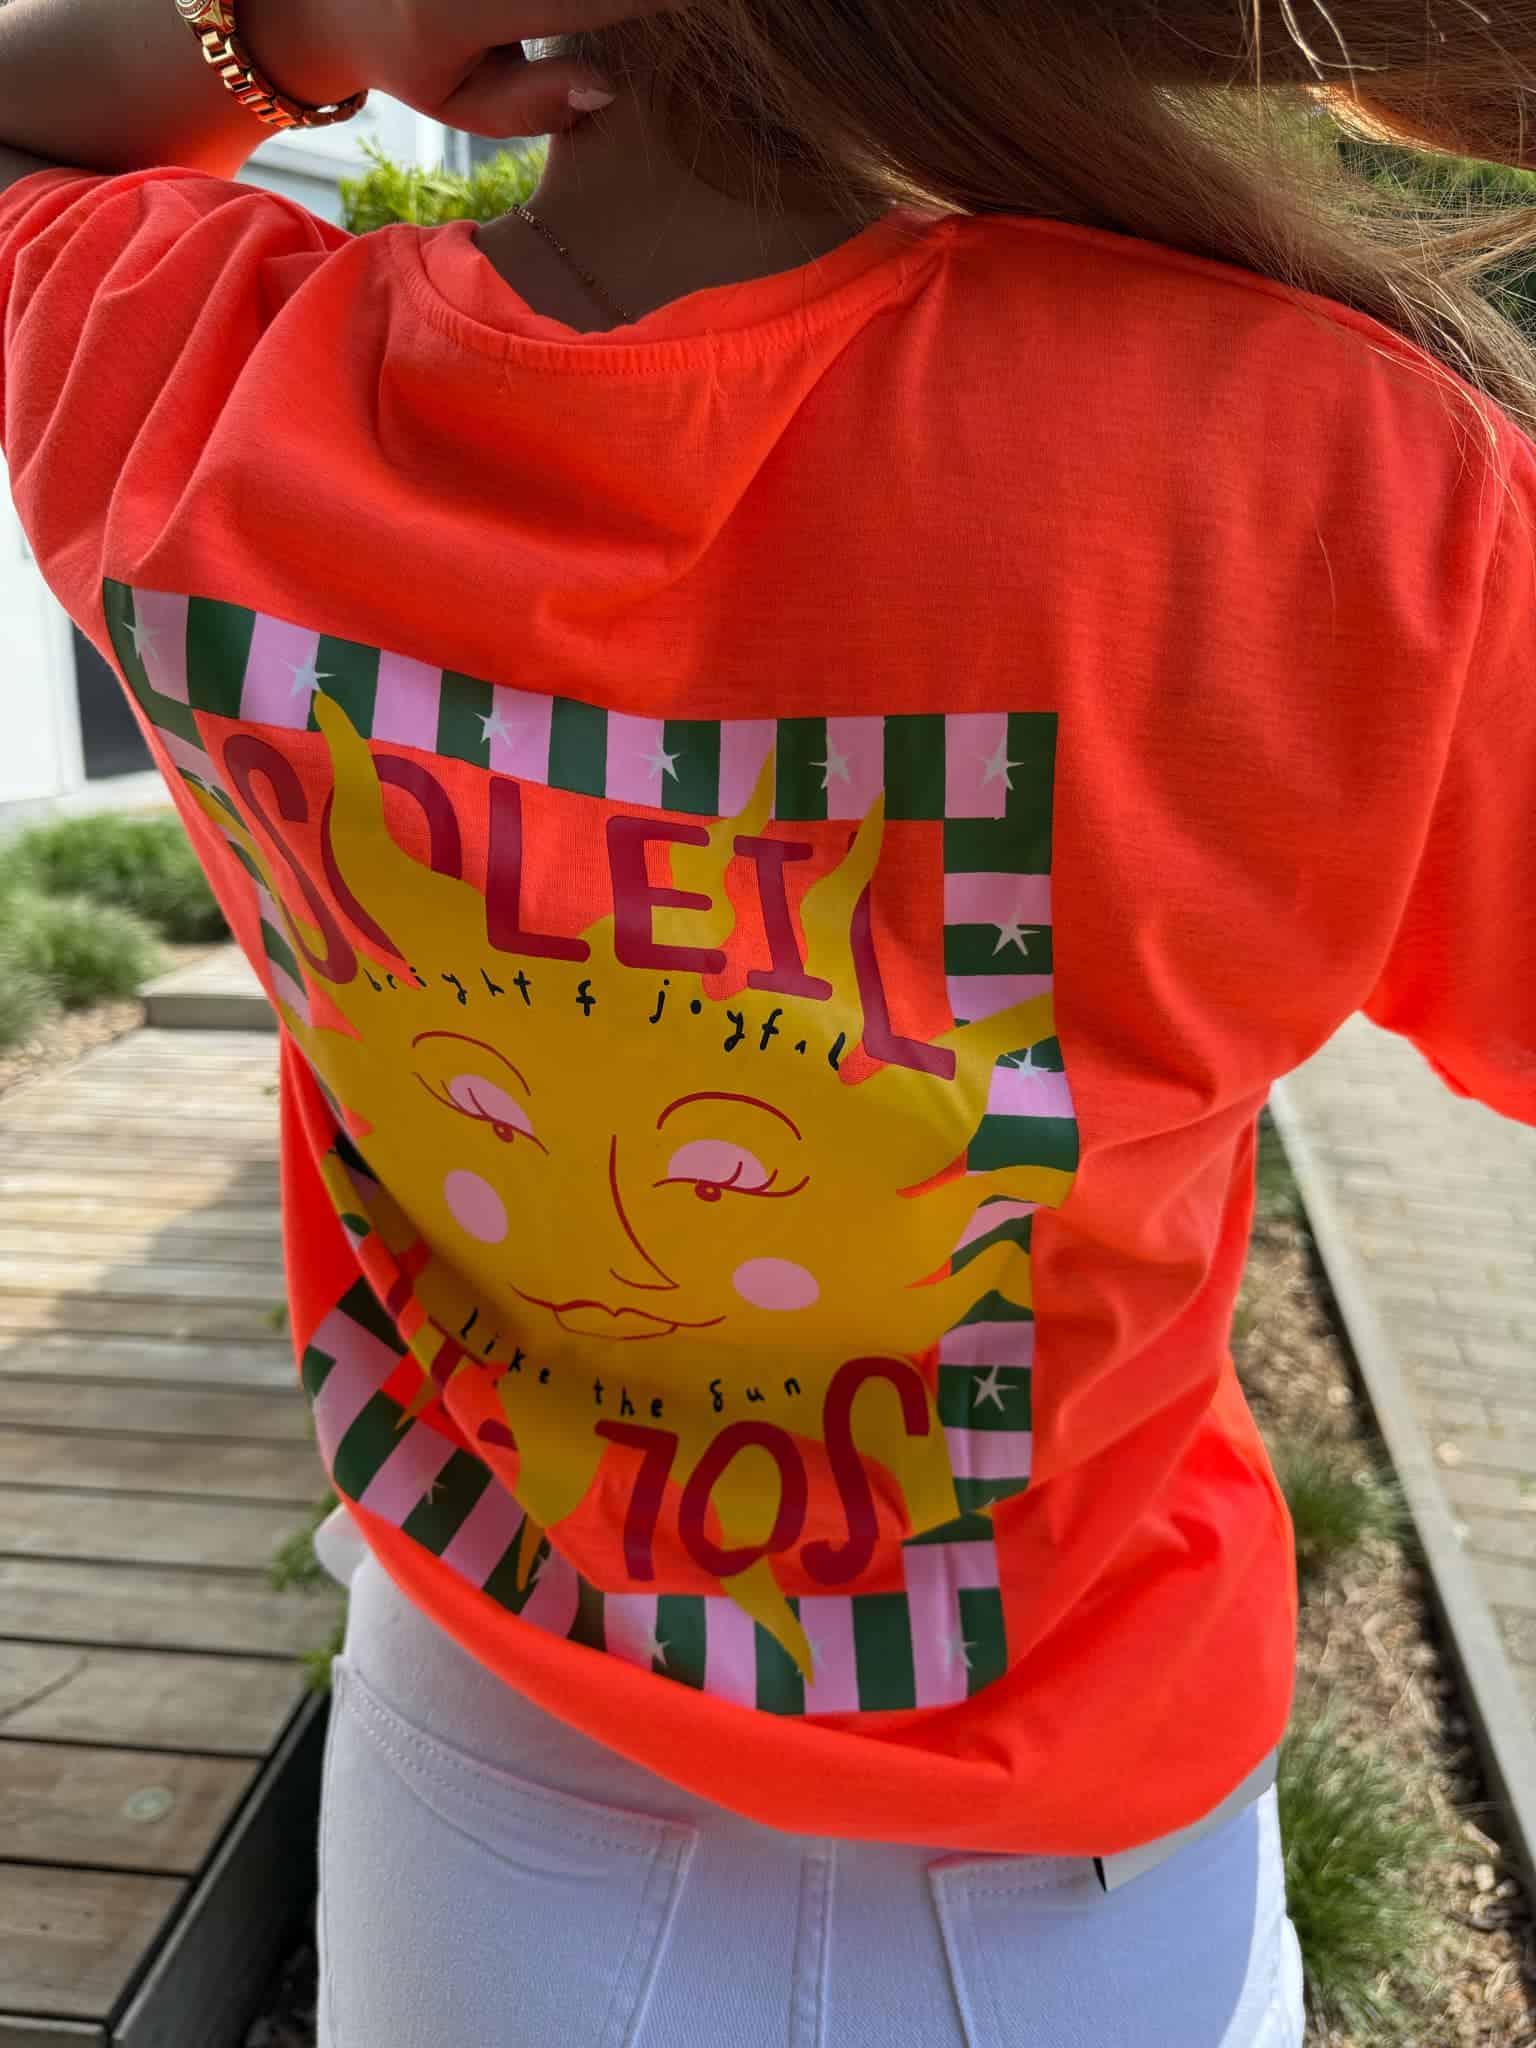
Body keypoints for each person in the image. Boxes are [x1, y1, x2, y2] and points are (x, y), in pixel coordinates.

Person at [1, 1, 1533, 2041]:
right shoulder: (1355, 479)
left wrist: (289, 27)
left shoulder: (192, 377)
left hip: (482, 1799)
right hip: (1085, 1862)